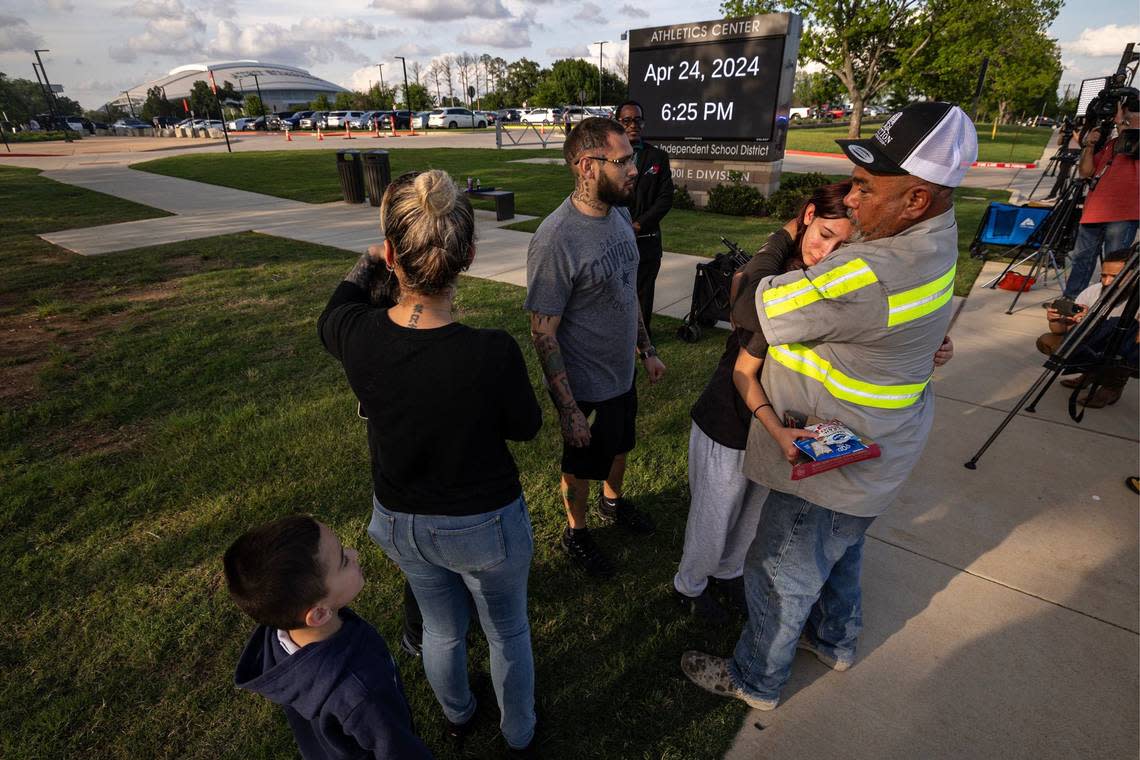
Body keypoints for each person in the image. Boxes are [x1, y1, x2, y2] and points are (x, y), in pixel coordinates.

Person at [680, 101, 977, 710]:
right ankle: (835, 638)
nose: (857, 203)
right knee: (842, 551)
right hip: (880, 447)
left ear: (917, 199)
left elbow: (744, 310)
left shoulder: (869, 268)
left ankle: (756, 679)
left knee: (779, 570)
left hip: (833, 457)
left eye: (868, 188)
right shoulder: (939, 237)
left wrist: (786, 233)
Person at [317, 169, 543, 757]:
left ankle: (458, 716)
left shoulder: (357, 334)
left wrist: (371, 258)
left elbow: (334, 308)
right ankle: (518, 732)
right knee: (507, 630)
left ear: (392, 255)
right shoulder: (491, 351)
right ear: (467, 255)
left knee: (442, 628)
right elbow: (527, 428)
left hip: (401, 521)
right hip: (485, 524)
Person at [673, 182, 855, 621]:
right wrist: (783, 234)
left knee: (752, 513)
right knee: (715, 516)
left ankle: (728, 573)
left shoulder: (831, 283)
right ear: (808, 217)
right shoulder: (781, 284)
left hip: (780, 429)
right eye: (825, 234)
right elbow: (746, 324)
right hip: (730, 421)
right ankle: (690, 586)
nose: (828, 252)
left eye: (843, 245)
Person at [526, 116, 667, 578]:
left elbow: (628, 293)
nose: (634, 168)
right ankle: (577, 532)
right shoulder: (556, 239)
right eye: (624, 160)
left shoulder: (621, 215)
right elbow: (543, 333)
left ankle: (613, 502)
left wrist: (646, 350)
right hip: (583, 383)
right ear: (587, 166)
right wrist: (567, 410)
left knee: (621, 444)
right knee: (581, 465)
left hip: (621, 374)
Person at [224, 515, 433, 759]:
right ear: (319, 613)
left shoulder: (281, 634)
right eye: (344, 560)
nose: (354, 553)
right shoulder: (362, 692)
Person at [1062, 96, 1139, 299]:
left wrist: (1121, 121)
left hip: (1122, 213)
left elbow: (1131, 145)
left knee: (1114, 267)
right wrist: (1088, 145)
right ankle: (1072, 303)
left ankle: (1105, 308)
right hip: (1094, 211)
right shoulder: (1111, 143)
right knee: (1081, 260)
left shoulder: (1132, 141)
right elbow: (1085, 172)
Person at [1038, 247, 1136, 407]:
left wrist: (1097, 321)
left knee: (1121, 346)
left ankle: (1112, 386)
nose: (1107, 282)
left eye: (1115, 277)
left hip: (1124, 351)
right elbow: (1060, 331)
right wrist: (1056, 320)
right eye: (1104, 275)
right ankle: (1090, 372)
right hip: (1095, 344)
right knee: (1048, 341)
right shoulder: (1094, 291)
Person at [615, 100, 674, 337]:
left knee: (643, 292)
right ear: (617, 123)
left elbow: (665, 198)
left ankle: (642, 339)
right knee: (616, 290)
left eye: (637, 120)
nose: (633, 125)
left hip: (647, 241)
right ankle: (619, 334)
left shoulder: (658, 157)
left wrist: (639, 225)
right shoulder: (607, 158)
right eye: (626, 120)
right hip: (615, 239)